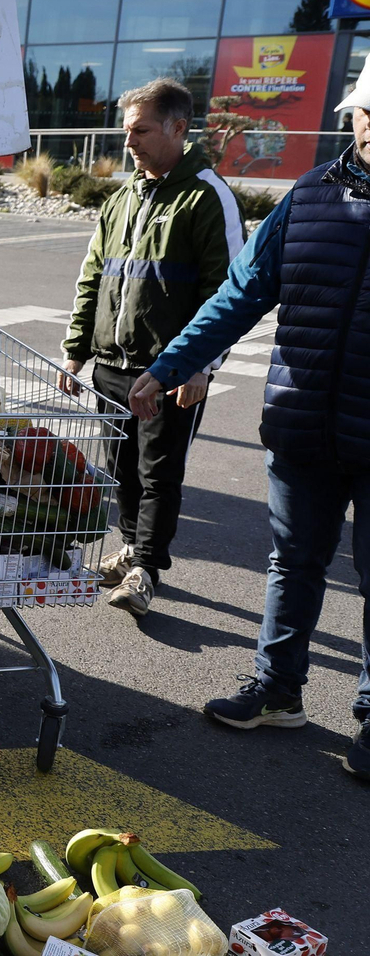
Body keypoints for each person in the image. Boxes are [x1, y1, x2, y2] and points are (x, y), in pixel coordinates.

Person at [128, 62, 370, 780]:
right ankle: (277, 690)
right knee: (292, 561)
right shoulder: (309, 197)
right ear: (353, 114)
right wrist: (170, 365)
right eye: (368, 113)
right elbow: (240, 295)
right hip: (302, 423)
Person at [56, 78, 242, 618]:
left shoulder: (207, 196)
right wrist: (75, 352)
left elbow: (225, 293)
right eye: (126, 131)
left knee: (160, 470)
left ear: (177, 129)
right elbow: (92, 277)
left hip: (167, 372)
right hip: (112, 365)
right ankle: (131, 548)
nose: (128, 142)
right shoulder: (121, 198)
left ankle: (146, 568)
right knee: (122, 468)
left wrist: (199, 367)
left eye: (139, 130)